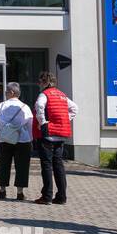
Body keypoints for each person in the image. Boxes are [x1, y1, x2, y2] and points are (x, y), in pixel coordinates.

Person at [32, 71, 77, 205]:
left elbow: (39, 106)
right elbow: (75, 108)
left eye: (40, 82)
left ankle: (47, 196)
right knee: (59, 166)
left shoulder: (44, 94)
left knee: (46, 165)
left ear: (45, 82)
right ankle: (61, 196)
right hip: (60, 135)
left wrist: (43, 122)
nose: (39, 84)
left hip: (48, 135)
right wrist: (64, 121)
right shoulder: (62, 95)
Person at [0, 83, 33, 200]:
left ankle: (2, 190)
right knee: (22, 166)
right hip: (22, 140)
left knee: (4, 164)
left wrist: (8, 128)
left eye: (6, 92)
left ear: (12, 92)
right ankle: (20, 192)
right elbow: (30, 124)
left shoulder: (2, 105)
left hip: (5, 139)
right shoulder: (25, 107)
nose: (5, 93)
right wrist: (30, 138)